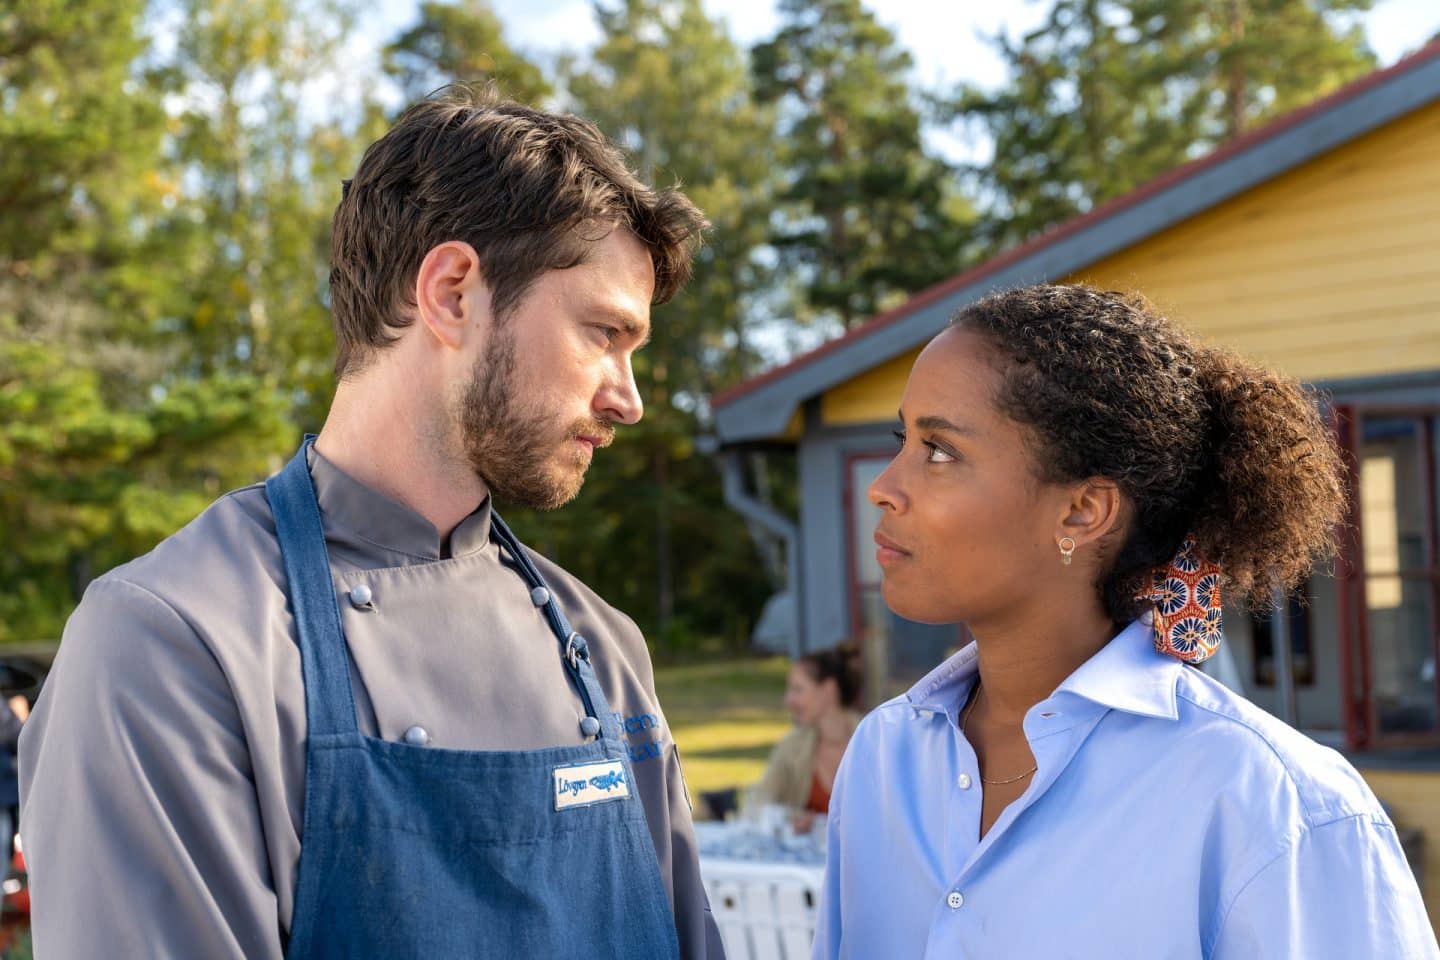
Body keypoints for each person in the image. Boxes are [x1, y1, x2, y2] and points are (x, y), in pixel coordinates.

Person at [19, 88, 721, 959]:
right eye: (602, 333)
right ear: (454, 293)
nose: (630, 399)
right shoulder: (172, 646)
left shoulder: (604, 651)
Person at [812, 284, 1439, 958]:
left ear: (1083, 512)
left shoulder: (1272, 804)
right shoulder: (883, 759)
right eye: (902, 438)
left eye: (939, 451)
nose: (883, 485)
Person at [751, 646, 862, 821]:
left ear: (828, 690)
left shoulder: (873, 741)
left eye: (797, 689)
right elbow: (756, 805)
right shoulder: (792, 746)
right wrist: (788, 818)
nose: (788, 700)